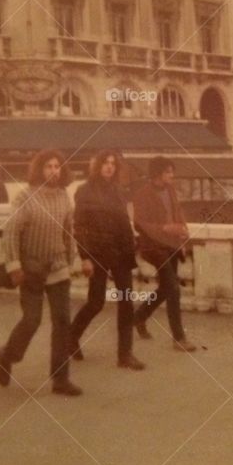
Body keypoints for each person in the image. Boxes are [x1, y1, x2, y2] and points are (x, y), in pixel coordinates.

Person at [0, 150, 82, 396]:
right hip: (30, 269)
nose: (54, 171)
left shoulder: (65, 197)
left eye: (57, 166)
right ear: (39, 170)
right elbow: (11, 232)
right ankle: (7, 354)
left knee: (62, 321)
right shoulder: (25, 197)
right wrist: (14, 266)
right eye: (48, 166)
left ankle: (60, 379)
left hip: (58, 268)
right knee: (32, 320)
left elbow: (68, 231)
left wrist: (69, 259)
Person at [69, 151, 145, 370]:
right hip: (98, 252)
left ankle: (125, 354)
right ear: (97, 166)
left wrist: (131, 244)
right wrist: (85, 257)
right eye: (105, 163)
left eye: (113, 164)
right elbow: (80, 226)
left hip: (121, 253)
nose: (110, 167)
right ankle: (72, 336)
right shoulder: (84, 191)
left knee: (126, 301)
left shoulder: (118, 191)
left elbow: (123, 221)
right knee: (96, 302)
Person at [132, 157, 196, 352]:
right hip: (153, 247)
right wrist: (166, 228)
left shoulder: (170, 190)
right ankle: (179, 338)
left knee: (166, 288)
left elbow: (176, 211)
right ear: (158, 174)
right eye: (168, 172)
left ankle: (138, 317)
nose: (171, 175)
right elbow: (140, 224)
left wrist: (182, 227)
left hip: (171, 245)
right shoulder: (143, 194)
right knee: (173, 288)